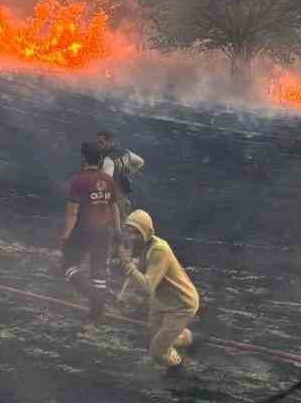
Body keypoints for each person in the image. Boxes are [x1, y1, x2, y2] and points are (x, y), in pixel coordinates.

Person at [117, 208, 199, 368]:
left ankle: (179, 367)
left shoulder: (159, 250)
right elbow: (136, 272)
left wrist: (127, 264)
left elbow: (148, 287)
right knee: (155, 336)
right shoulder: (144, 248)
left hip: (181, 304)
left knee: (157, 351)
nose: (133, 238)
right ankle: (189, 338)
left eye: (137, 233)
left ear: (147, 232)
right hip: (162, 301)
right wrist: (124, 295)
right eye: (130, 232)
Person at [63, 140, 121, 321]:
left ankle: (90, 295)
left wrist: (66, 235)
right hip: (103, 232)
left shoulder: (78, 180)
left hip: (83, 230)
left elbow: (72, 212)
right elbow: (114, 207)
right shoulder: (108, 180)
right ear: (101, 159)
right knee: (99, 272)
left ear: (84, 157)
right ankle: (96, 313)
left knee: (68, 264)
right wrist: (117, 230)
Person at [98, 130, 144, 217]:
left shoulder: (108, 159)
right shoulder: (125, 152)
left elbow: (106, 182)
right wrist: (127, 171)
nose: (99, 145)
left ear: (110, 142)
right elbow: (140, 161)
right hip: (123, 196)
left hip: (113, 198)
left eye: (101, 142)